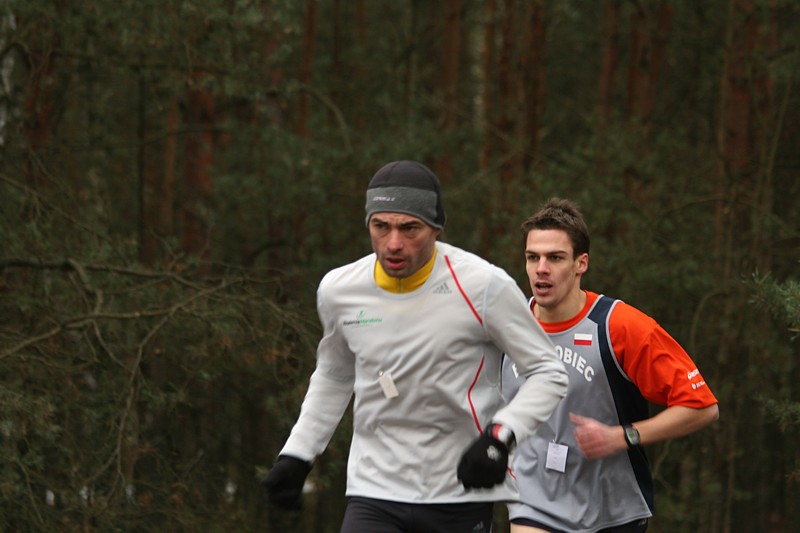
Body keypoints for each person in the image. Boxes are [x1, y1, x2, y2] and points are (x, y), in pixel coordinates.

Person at [261, 160, 569, 533]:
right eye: (381, 226)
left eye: (410, 228)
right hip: (374, 490)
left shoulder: (484, 286)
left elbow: (548, 372)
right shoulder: (339, 289)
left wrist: (501, 436)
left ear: (436, 229)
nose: (393, 243)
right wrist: (298, 453)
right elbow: (334, 376)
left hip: (459, 490)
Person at [501, 198, 719, 533]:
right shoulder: (505, 324)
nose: (541, 268)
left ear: (581, 263)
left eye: (555, 258)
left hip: (611, 511)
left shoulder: (619, 326)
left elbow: (702, 408)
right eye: (533, 257)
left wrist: (625, 436)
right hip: (534, 503)